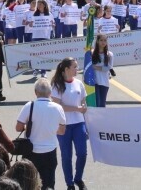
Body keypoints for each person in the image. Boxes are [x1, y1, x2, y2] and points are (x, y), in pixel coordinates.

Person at [16, 79, 66, 190]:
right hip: (50, 152)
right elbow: (62, 131)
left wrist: (27, 127)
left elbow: (18, 127)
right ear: (50, 93)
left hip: (31, 152)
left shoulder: (29, 106)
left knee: (29, 184)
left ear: (36, 92)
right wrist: (51, 129)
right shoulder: (58, 108)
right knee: (48, 184)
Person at [51, 57, 87, 190]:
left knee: (82, 153)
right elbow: (57, 105)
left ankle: (78, 178)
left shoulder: (79, 83)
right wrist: (76, 109)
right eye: (75, 67)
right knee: (66, 156)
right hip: (63, 125)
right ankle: (70, 183)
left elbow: (83, 99)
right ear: (66, 69)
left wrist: (83, 106)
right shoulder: (57, 85)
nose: (77, 69)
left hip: (79, 123)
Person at [91, 34, 114, 107]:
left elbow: (108, 68)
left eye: (105, 40)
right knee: (96, 102)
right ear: (97, 41)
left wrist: (95, 67)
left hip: (104, 82)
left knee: (102, 103)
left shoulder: (109, 54)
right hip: (94, 82)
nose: (103, 42)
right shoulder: (92, 53)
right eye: (101, 40)